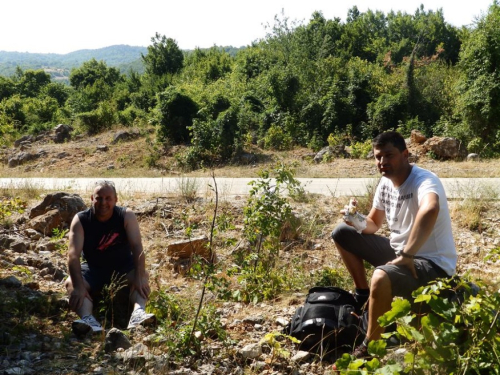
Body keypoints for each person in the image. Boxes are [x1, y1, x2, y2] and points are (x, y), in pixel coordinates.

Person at [331, 131, 457, 359]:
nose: (382, 162)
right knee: (342, 232)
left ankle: (370, 348)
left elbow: (430, 209)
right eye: (378, 157)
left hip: (432, 264)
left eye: (388, 155)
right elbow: (372, 224)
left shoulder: (424, 180)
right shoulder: (385, 183)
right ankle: (362, 295)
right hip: (400, 254)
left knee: (380, 276)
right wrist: (354, 218)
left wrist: (408, 254)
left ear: (405, 154)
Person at [65, 180, 155, 335]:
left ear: (116, 199)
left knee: (143, 276)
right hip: (93, 270)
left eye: (108, 198)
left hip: (123, 268)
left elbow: (137, 247)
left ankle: (138, 313)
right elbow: (73, 256)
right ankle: (88, 320)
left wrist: (139, 277)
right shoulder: (81, 220)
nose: (103, 203)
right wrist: (79, 287)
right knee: (71, 283)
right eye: (99, 198)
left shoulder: (126, 216)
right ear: (92, 198)